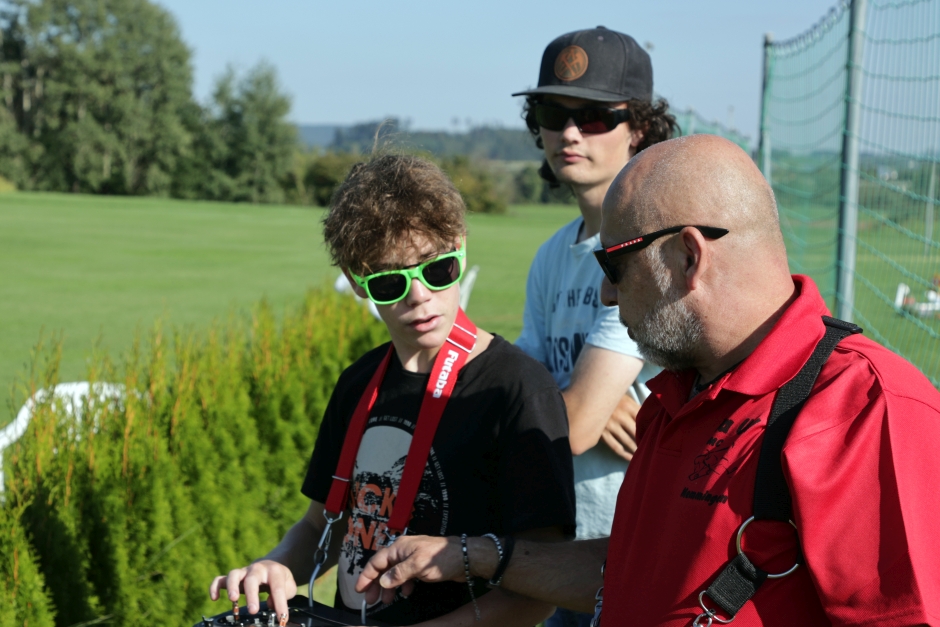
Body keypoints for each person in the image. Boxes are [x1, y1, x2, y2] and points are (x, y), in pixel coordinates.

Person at [355, 136, 940, 626]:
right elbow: (629, 572)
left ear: (689, 256)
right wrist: (474, 555)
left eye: (614, 265)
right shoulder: (674, 397)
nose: (606, 293)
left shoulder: (865, 409)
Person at [209, 155, 576, 626]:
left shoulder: (518, 388)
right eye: (388, 282)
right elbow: (320, 526)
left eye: (437, 269)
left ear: (461, 247)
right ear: (357, 282)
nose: (418, 296)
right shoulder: (358, 383)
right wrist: (277, 566)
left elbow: (543, 584)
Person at [511, 27, 677, 626]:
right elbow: (519, 390)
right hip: (566, 551)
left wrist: (578, 405)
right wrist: (581, 400)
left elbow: (573, 426)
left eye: (595, 116)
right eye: (553, 114)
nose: (570, 133)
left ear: (640, 129)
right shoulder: (552, 254)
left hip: (642, 555)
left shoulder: (646, 250)